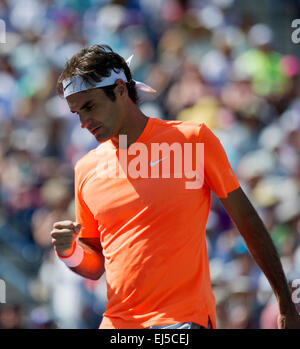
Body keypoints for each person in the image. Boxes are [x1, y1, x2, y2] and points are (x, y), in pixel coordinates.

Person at [51, 44, 300, 329]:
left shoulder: (192, 140)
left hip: (182, 321)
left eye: (90, 107)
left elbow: (246, 220)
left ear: (120, 89)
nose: (83, 122)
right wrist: (70, 252)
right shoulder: (85, 169)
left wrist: (284, 300)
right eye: (76, 113)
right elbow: (95, 268)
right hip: (117, 325)